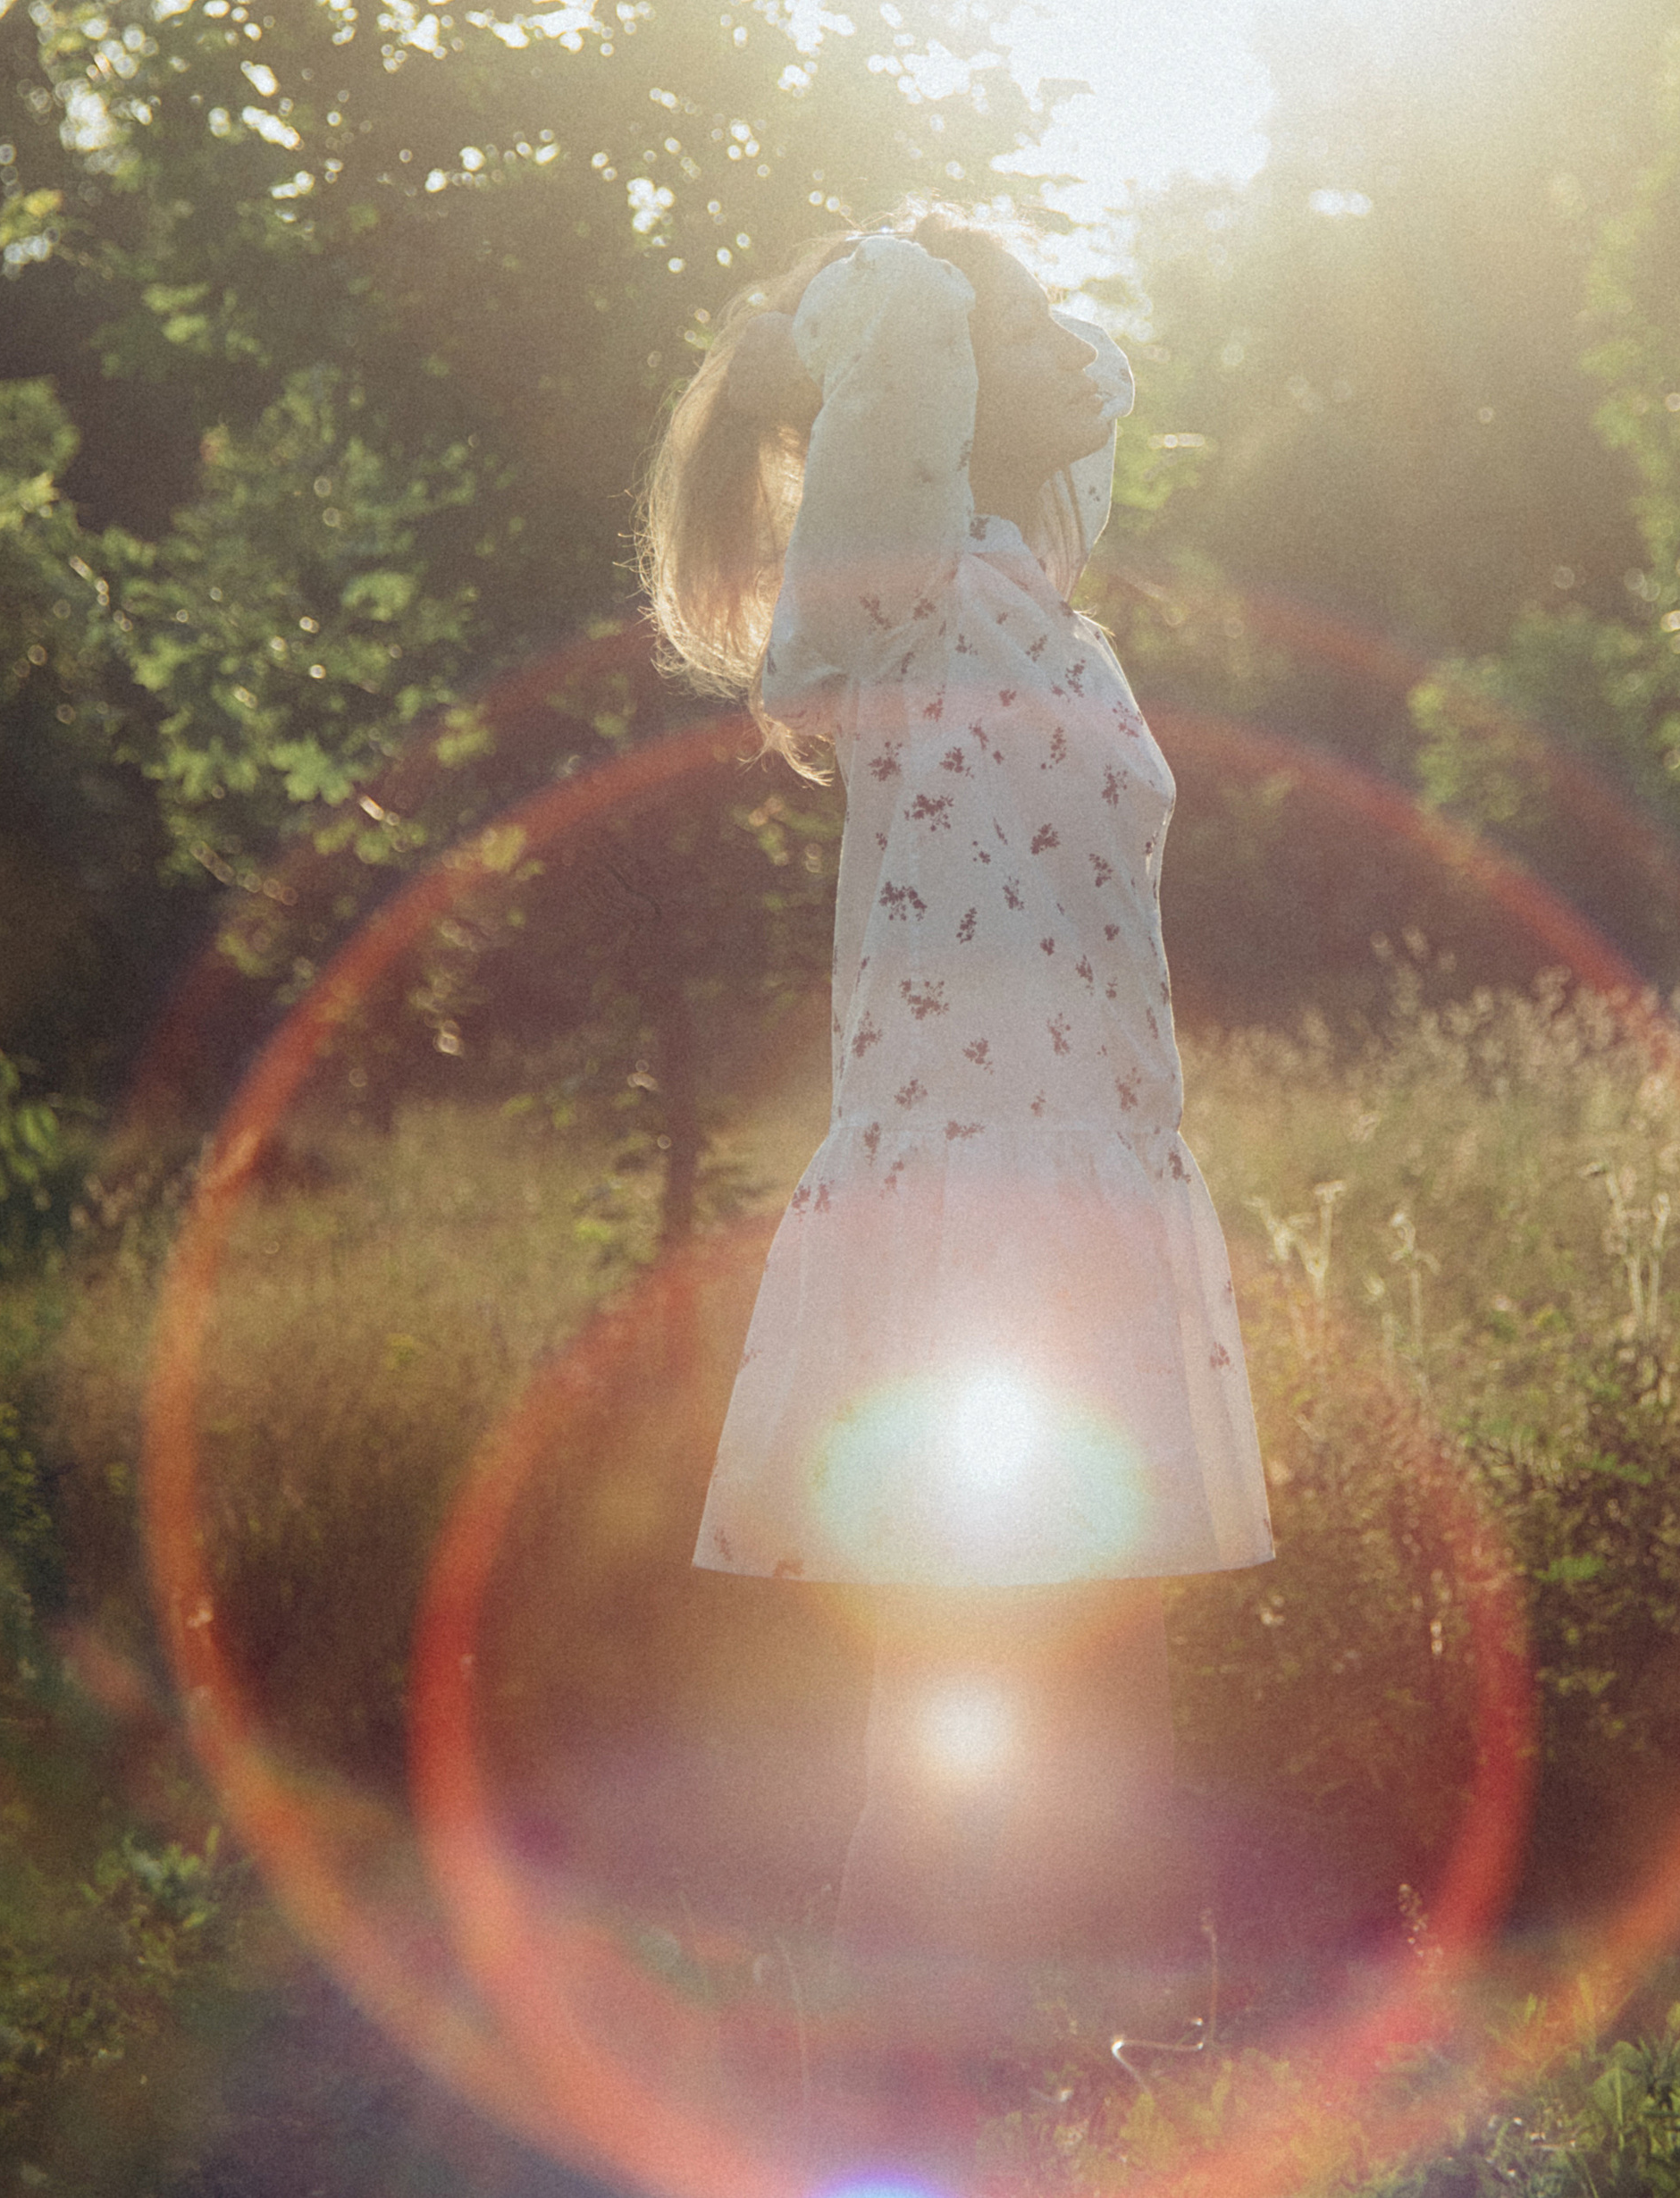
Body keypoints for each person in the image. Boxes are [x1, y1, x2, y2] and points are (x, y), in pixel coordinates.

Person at [639, 217, 1271, 2049]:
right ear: (941, 393)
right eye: (1017, 332)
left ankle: (1070, 2050)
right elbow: (890, 337)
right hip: (969, 1210)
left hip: (1095, 1184)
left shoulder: (1042, 606)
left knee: (1095, 1653)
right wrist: (875, 331)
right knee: (960, 1666)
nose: (1073, 354)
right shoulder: (904, 609)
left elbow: (1075, 375)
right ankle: (906, 2069)